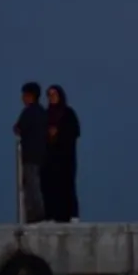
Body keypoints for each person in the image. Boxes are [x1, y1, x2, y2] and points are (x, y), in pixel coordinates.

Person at [44, 84, 81, 222]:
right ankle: (52, 215)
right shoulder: (46, 115)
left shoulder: (68, 113)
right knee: (50, 186)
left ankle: (72, 215)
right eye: (49, 95)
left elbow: (75, 132)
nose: (51, 98)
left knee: (67, 185)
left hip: (66, 157)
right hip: (50, 158)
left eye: (54, 95)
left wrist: (59, 133)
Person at [13, 81, 47, 223]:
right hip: (43, 155)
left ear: (30, 96)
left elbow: (18, 128)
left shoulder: (28, 112)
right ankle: (37, 213)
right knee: (38, 184)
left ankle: (36, 215)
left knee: (31, 186)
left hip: (30, 155)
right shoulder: (43, 112)